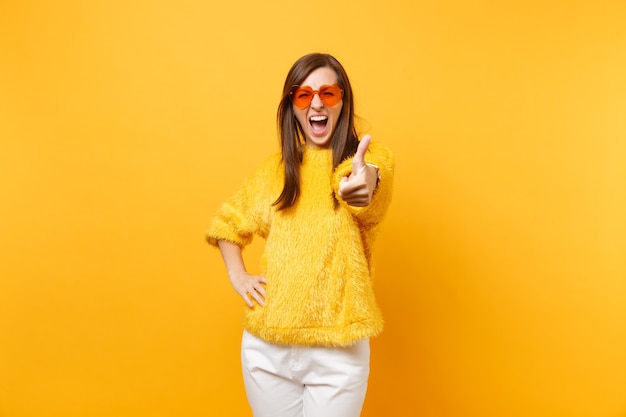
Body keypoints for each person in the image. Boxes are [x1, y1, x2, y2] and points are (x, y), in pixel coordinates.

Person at [206, 52, 394, 417]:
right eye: (304, 95)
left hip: (337, 350)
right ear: (292, 106)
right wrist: (237, 274)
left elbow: (371, 180)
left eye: (328, 92)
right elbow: (228, 223)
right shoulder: (272, 172)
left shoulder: (365, 160)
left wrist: (362, 183)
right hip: (267, 348)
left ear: (343, 100)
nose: (317, 103)